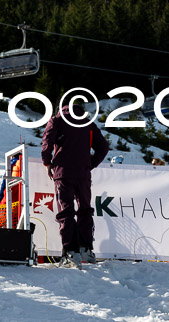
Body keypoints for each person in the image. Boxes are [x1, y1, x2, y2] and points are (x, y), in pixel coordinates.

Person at [41, 104, 109, 269]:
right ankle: (86, 250)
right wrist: (90, 164)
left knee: (66, 212)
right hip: (83, 174)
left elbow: (47, 141)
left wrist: (47, 162)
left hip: (63, 173)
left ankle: (70, 252)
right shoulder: (88, 122)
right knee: (85, 209)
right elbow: (104, 147)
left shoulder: (56, 120)